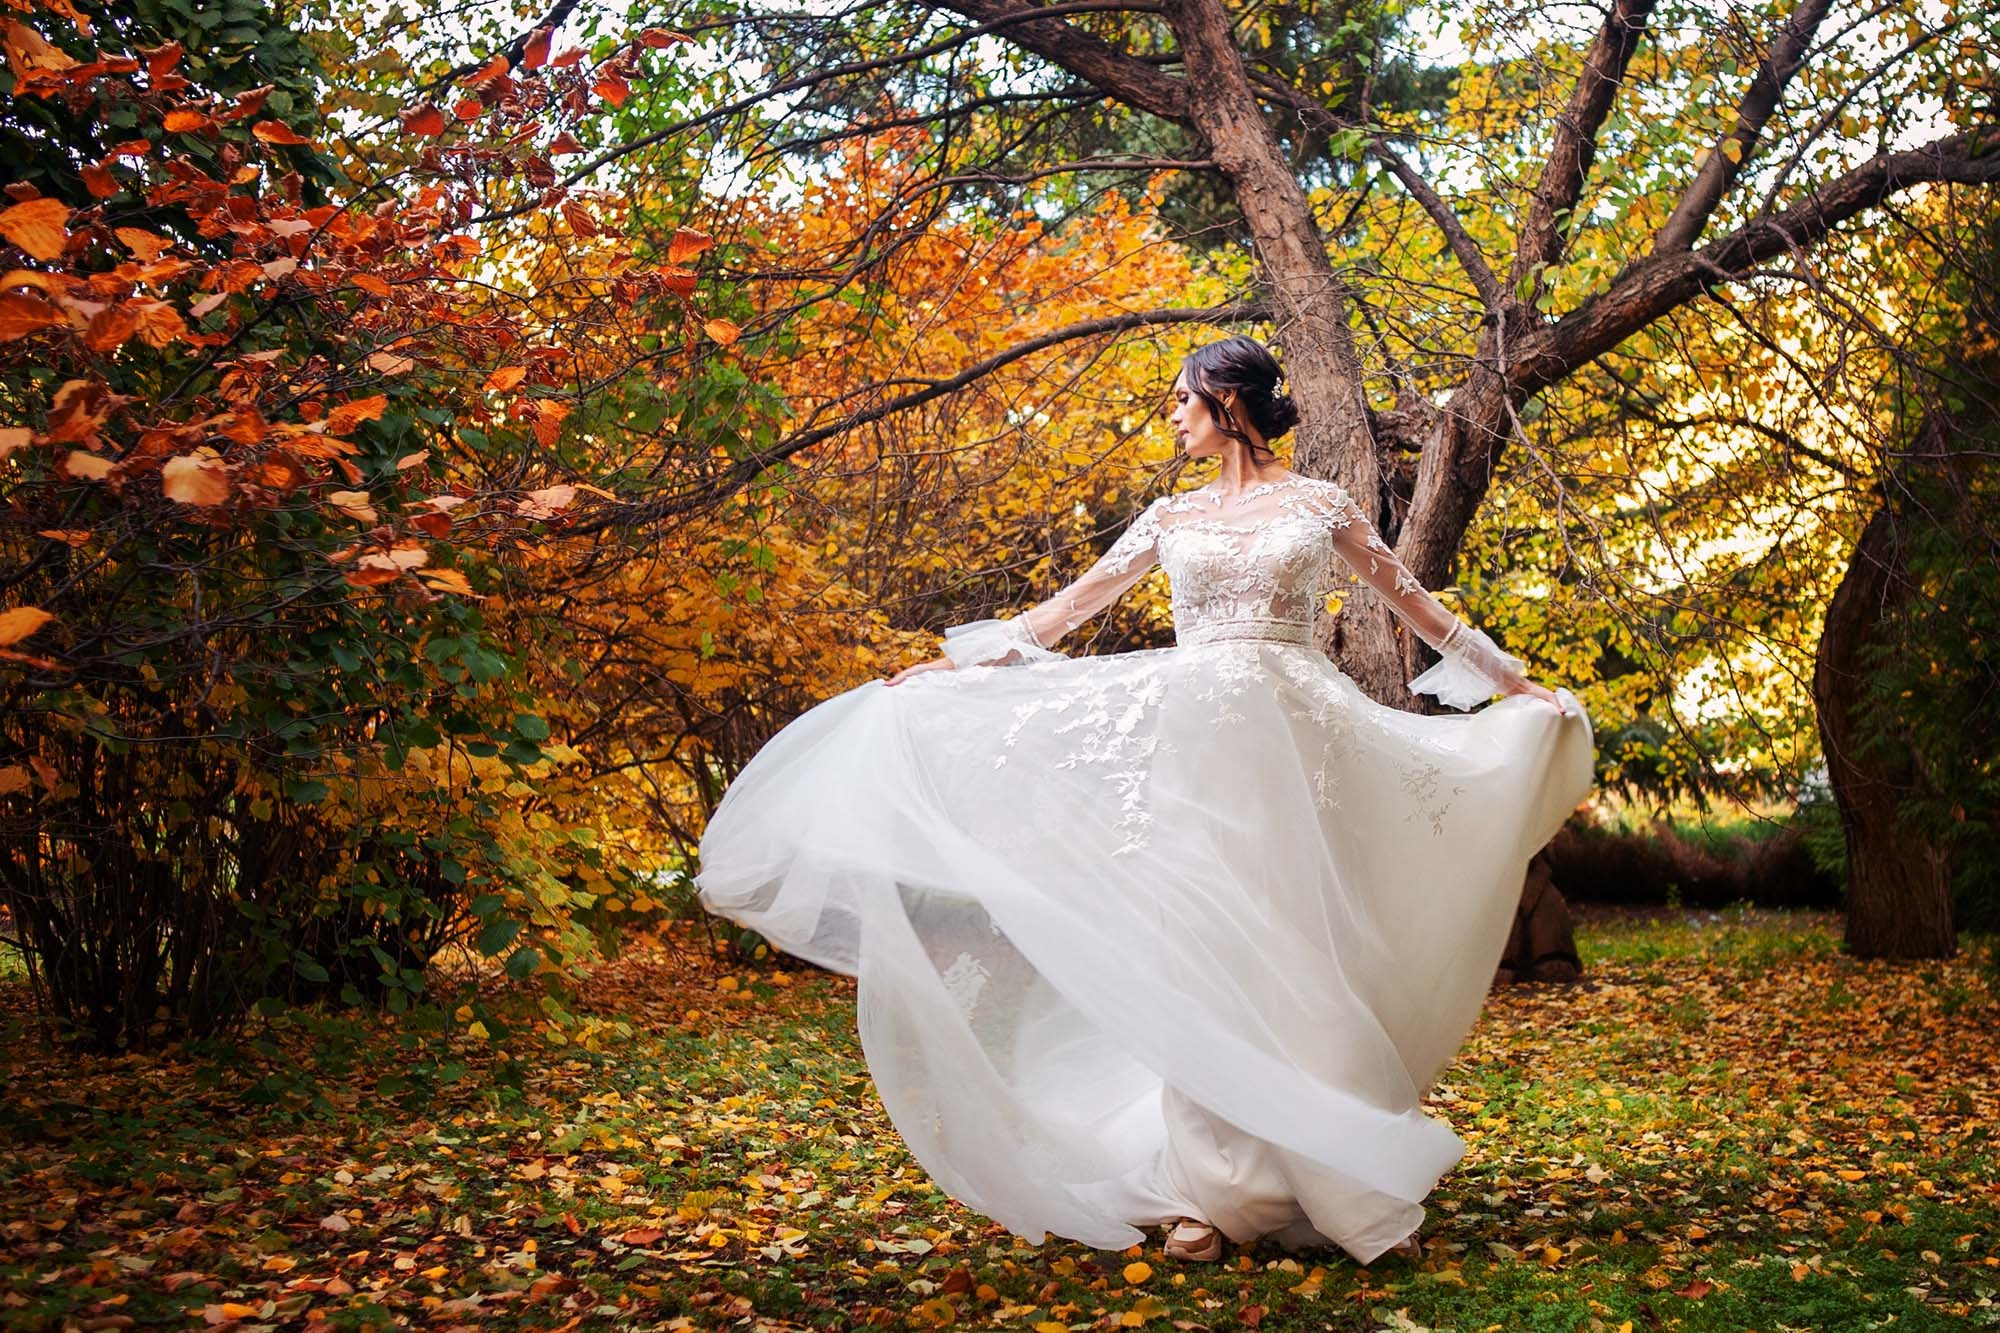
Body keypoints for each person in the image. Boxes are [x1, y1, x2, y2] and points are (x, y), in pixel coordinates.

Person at [696, 334, 1594, 1267]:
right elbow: (1063, 612)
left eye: (1183, 398)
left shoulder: (1321, 504)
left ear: (1229, 402)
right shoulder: (1169, 518)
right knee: (1201, 954)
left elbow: (1416, 603)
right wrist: (958, 665)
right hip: (1194, 753)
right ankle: (1205, 1189)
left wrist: (1511, 680)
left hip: (1294, 755)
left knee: (1291, 954)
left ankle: (1333, 1171)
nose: (1171, 414)